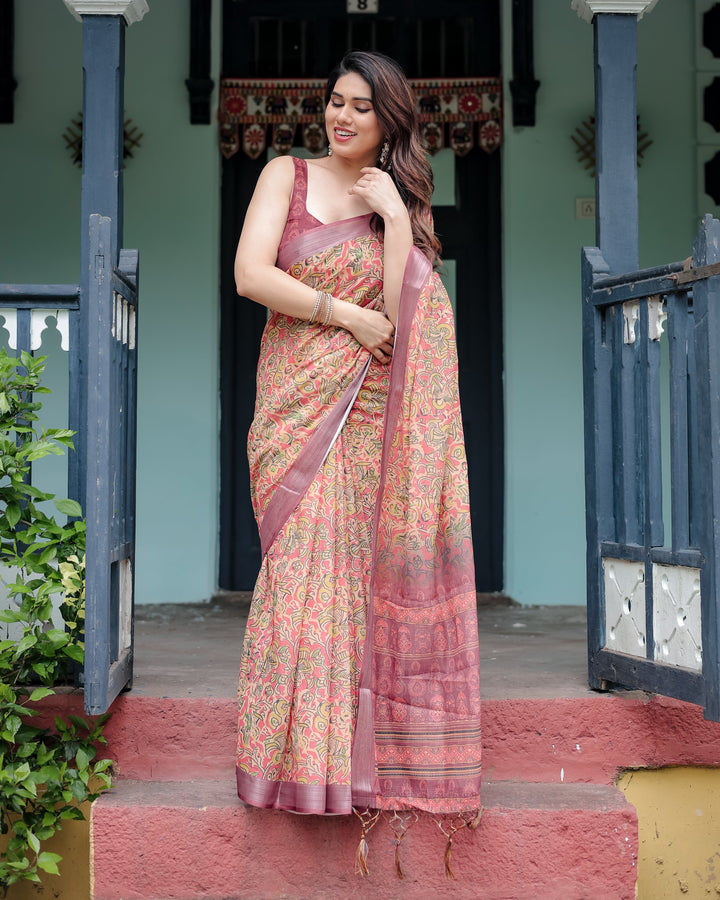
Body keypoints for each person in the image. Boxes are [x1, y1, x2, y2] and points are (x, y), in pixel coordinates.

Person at [234, 50, 482, 877]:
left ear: (389, 122)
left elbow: (403, 315)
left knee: (342, 578)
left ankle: (339, 767)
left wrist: (401, 219)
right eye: (335, 102)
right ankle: (285, 762)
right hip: (295, 404)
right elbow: (250, 274)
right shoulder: (285, 174)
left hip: (367, 411)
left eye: (360, 108)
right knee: (300, 567)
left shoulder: (393, 198)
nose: (341, 117)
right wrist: (341, 315)